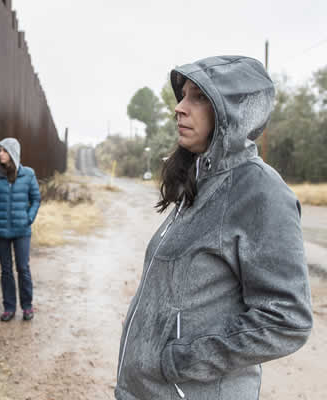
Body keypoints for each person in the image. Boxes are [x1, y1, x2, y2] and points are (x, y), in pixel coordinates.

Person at [115, 56, 313, 399]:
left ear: (233, 110)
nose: (179, 107)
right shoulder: (200, 180)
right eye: (183, 95)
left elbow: (287, 318)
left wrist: (187, 359)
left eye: (197, 97)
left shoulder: (259, 190)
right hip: (145, 390)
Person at [0, 137, 41, 322]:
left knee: (23, 268)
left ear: (13, 153)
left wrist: (29, 218)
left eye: (4, 151)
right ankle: (9, 308)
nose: (0, 154)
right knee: (6, 270)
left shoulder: (28, 174)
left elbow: (36, 199)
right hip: (0, 231)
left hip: (22, 230)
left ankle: (27, 307)